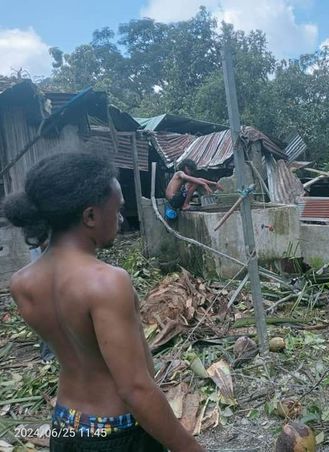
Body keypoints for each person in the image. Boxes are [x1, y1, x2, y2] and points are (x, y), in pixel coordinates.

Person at [5, 153, 206, 451]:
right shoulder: (107, 282)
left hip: (65, 427)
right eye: (118, 209)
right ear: (90, 216)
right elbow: (135, 388)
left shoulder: (21, 283)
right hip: (116, 432)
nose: (122, 219)